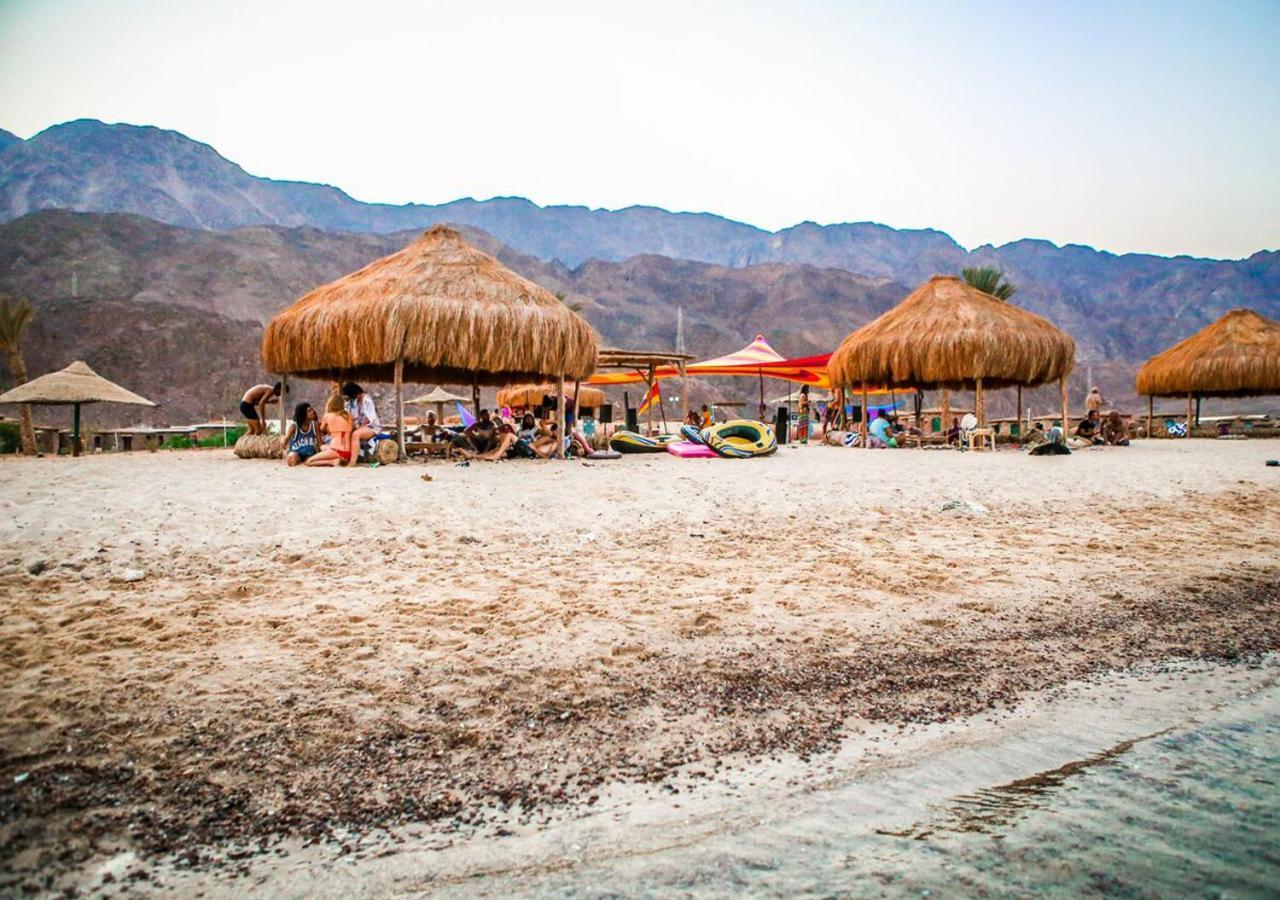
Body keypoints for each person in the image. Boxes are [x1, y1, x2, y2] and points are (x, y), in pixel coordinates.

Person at [307, 394, 356, 467]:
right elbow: (352, 428)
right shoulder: (349, 415)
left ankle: (332, 462)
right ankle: (337, 459)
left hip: (336, 450)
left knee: (309, 462)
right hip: (347, 453)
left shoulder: (328, 415)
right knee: (322, 447)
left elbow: (321, 429)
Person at [342, 382, 381, 453]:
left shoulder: (366, 400)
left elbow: (370, 419)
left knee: (356, 434)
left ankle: (352, 461)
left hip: (371, 427)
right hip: (358, 426)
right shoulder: (352, 402)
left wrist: (358, 427)